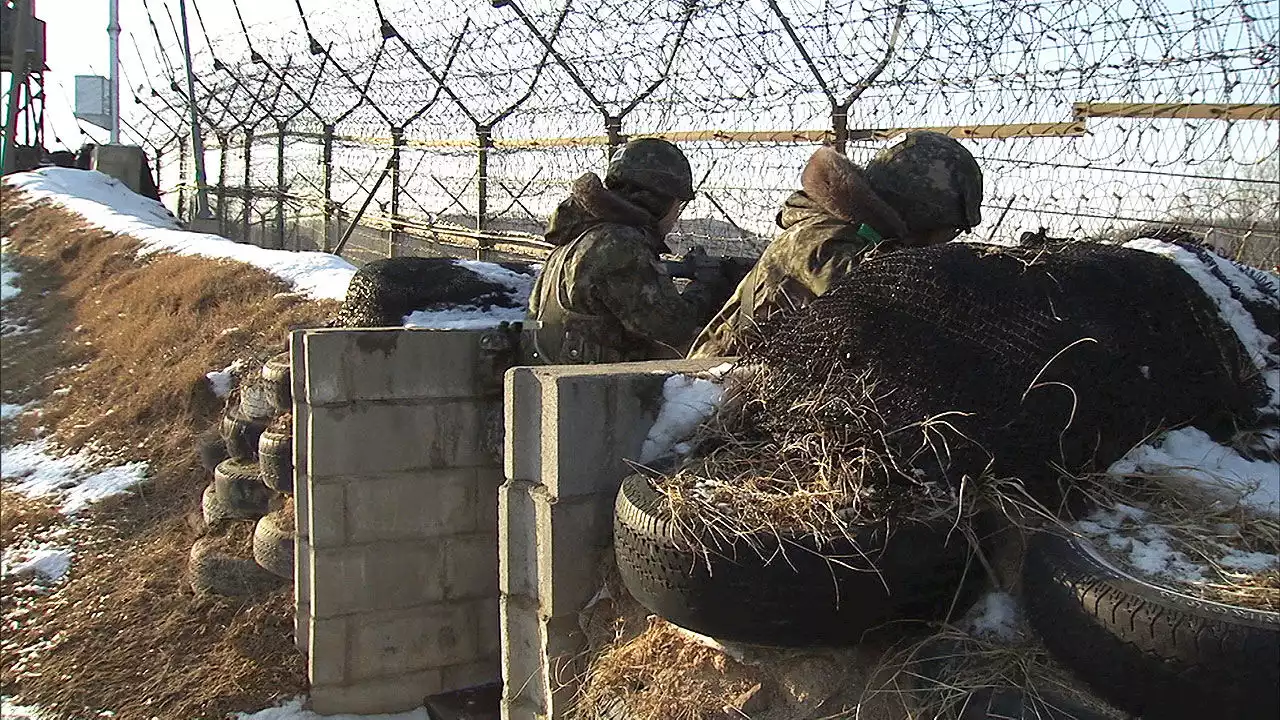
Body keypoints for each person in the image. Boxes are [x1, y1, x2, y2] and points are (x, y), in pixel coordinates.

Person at [688, 130, 983, 358]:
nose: (944, 243)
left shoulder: (853, 234)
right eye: (948, 232)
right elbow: (890, 292)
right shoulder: (819, 239)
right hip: (707, 398)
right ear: (919, 214)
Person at [526, 137, 722, 364]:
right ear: (659, 200)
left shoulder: (577, 236)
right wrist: (706, 289)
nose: (676, 215)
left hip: (560, 379)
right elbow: (673, 330)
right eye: (678, 204)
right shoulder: (619, 243)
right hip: (590, 390)